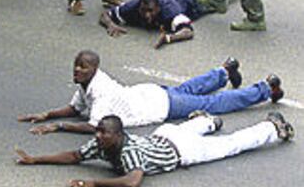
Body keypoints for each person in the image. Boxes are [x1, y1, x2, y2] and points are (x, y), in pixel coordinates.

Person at [17, 50, 284, 134]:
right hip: (151, 93)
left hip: (160, 107)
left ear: (94, 69)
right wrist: (46, 114)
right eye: (76, 66)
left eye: (82, 67)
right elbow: (75, 108)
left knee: (212, 103)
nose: (77, 70)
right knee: (187, 89)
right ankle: (224, 71)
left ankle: (264, 88)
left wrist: (58, 127)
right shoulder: (88, 84)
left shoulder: (100, 92)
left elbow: (93, 126)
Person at [15, 112, 294, 187]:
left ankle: (271, 128)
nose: (98, 136)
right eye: (98, 131)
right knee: (184, 128)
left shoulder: (128, 153)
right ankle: (208, 121)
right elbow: (74, 156)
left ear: (118, 135)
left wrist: (93, 183)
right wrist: (35, 159)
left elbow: (133, 181)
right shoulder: (102, 144)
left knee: (230, 145)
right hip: (163, 135)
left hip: (182, 149)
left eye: (104, 133)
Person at [100, 0, 237, 48]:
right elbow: (106, 15)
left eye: (151, 11)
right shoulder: (132, 7)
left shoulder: (170, 12)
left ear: (158, 8)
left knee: (213, 0)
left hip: (188, 1)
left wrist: (170, 38)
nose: (147, 15)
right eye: (143, 11)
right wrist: (111, 24)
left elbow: (188, 31)